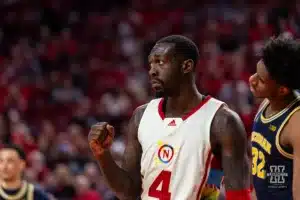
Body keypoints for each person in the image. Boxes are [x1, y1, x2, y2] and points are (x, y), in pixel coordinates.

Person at [88, 35, 252, 200]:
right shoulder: (141, 116)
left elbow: (239, 195)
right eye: (150, 63)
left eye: (160, 62)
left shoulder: (222, 121)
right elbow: (128, 192)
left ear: (186, 66)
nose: (152, 70)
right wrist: (103, 155)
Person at [249, 36, 300, 200]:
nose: (252, 80)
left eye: (261, 80)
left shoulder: (296, 123)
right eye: (256, 72)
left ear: (282, 90)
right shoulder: (266, 102)